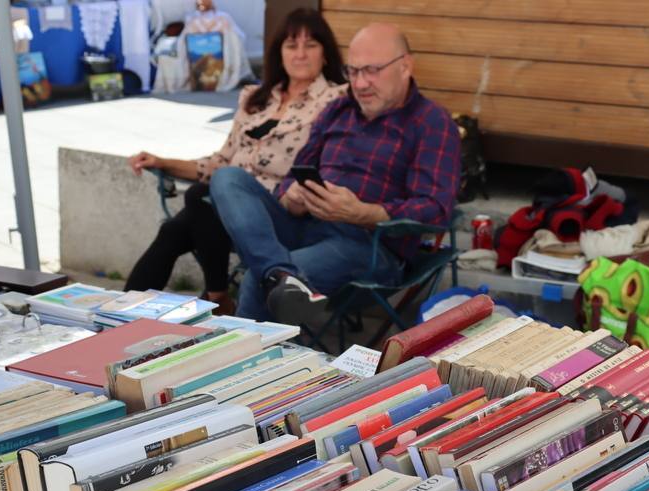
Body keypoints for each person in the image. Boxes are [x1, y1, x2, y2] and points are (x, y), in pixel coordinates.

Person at [208, 23, 460, 324]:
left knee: (256, 281)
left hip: (368, 245)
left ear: (405, 67)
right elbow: (294, 174)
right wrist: (292, 197)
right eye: (352, 71)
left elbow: (435, 210)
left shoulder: (432, 122)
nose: (360, 83)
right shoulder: (338, 110)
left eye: (372, 71)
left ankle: (268, 295)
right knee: (227, 178)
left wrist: (364, 213)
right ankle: (280, 274)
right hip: (306, 224)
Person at [125, 8, 347, 314]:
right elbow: (220, 162)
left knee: (199, 199)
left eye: (310, 45)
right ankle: (204, 299)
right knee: (183, 222)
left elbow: (330, 165)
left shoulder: (336, 101)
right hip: (226, 205)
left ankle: (130, 313)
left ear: (325, 54)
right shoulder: (255, 97)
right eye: (291, 45)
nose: (300, 54)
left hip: (282, 213)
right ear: (279, 52)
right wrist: (164, 162)